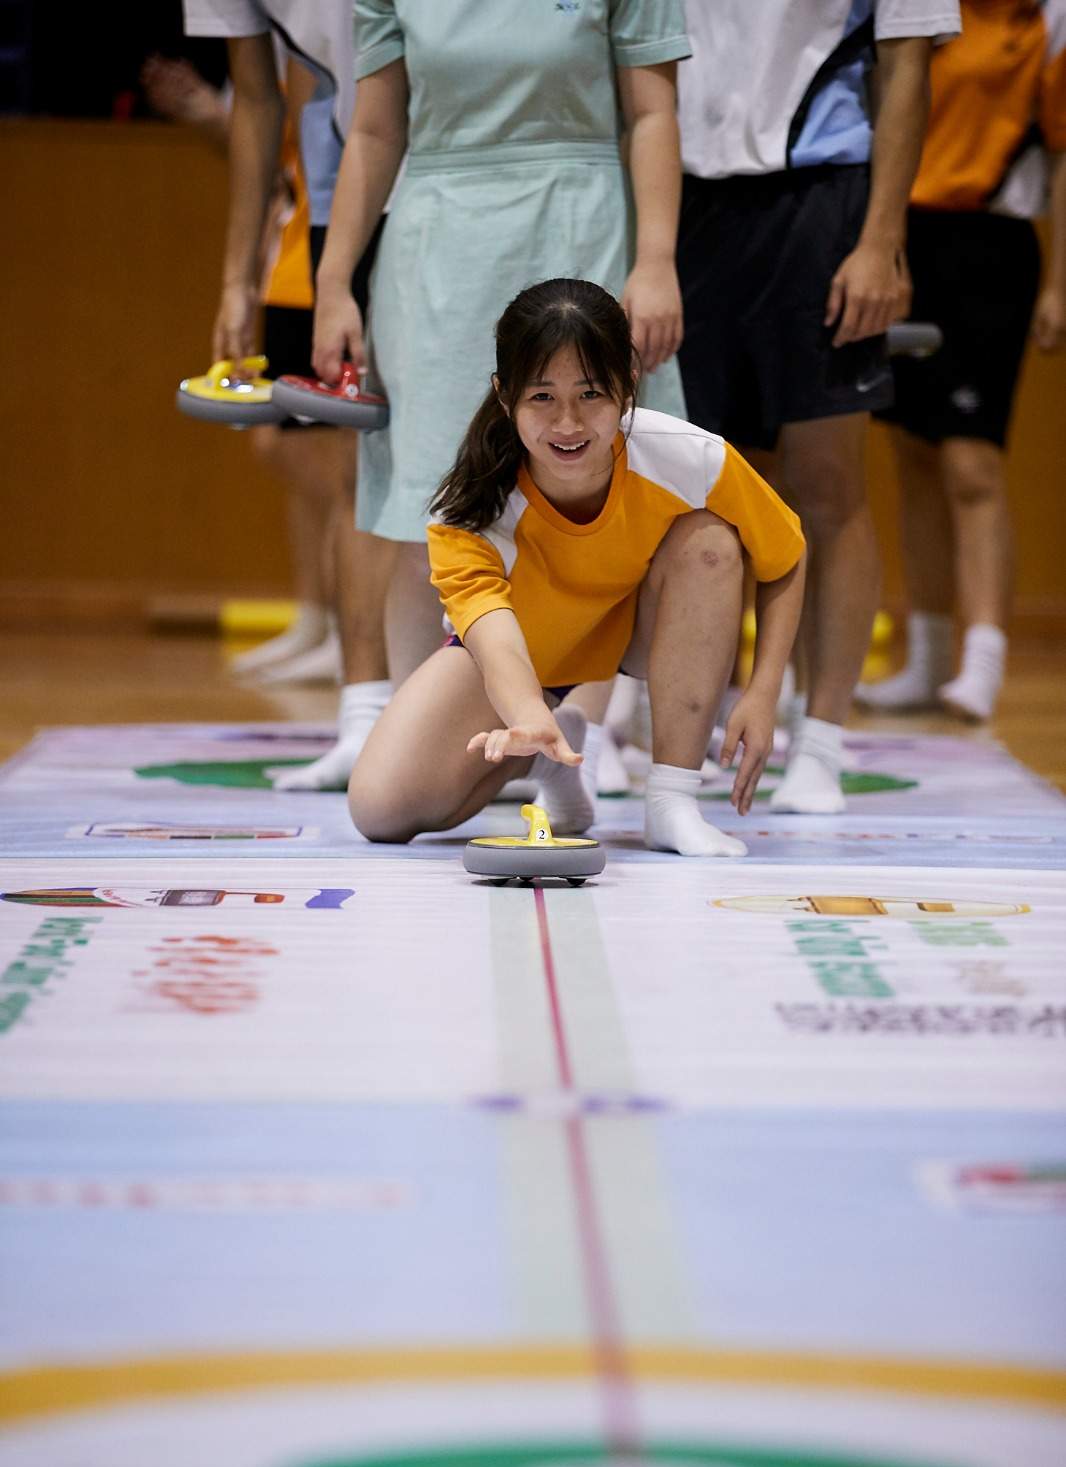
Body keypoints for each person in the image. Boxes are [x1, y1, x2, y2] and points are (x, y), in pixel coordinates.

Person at [312, 0, 692, 798]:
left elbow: (653, 111)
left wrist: (656, 259)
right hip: (437, 240)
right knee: (429, 499)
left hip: (583, 216)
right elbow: (377, 131)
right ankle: (421, 735)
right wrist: (333, 278)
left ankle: (582, 730)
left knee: (597, 495)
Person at [348, 280, 806, 859]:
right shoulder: (467, 507)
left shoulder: (693, 457)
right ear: (503, 393)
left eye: (590, 394)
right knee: (380, 809)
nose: (568, 423)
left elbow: (786, 556)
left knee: (711, 540)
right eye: (541, 397)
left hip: (641, 632)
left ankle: (672, 801)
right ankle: (549, 752)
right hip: (525, 650)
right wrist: (528, 717)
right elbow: (496, 643)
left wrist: (762, 693)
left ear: (627, 388)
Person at [676, 0, 959, 813]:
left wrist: (880, 239)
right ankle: (690, 724)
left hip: (823, 197)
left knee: (827, 484)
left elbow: (908, 64)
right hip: (689, 202)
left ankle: (823, 742)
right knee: (701, 489)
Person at [181, 0, 395, 787]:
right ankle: (363, 711)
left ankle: (556, 706)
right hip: (341, 174)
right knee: (357, 453)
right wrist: (238, 277)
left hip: (461, 158)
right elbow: (260, 93)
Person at [856, 0, 1066, 721]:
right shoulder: (912, 8)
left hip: (991, 244)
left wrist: (1059, 282)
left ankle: (984, 655)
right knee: (911, 451)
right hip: (904, 237)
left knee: (972, 462)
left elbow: (1064, 152)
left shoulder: (1045, 18)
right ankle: (929, 654)